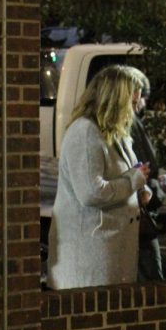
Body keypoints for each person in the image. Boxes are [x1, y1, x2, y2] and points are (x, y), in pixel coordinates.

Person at [48, 65, 151, 289]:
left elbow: (129, 173)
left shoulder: (114, 132)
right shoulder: (85, 132)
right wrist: (132, 182)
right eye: (131, 104)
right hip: (91, 255)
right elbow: (91, 192)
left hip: (113, 250)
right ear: (115, 100)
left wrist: (139, 189)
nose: (135, 111)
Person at [130, 73, 166, 281]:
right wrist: (154, 187)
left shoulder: (132, 124)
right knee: (150, 278)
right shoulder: (132, 125)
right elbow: (141, 166)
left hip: (139, 210)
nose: (142, 103)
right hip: (140, 213)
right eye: (139, 97)